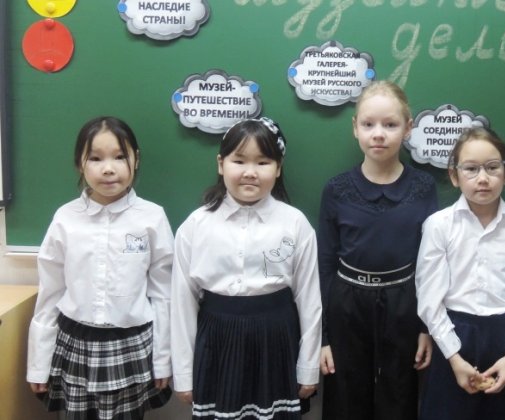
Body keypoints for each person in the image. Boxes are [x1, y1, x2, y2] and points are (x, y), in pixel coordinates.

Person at [171, 117, 321, 419]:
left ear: (278, 168)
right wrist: (184, 374)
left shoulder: (295, 224)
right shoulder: (196, 226)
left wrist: (308, 367)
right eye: (239, 161)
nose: (250, 172)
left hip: (276, 340)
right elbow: (181, 304)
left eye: (263, 162)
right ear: (221, 164)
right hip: (216, 340)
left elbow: (309, 301)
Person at [27, 116, 173, 419]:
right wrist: (38, 364)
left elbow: (164, 294)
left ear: (136, 159)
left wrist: (163, 359)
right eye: (95, 158)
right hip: (75, 343)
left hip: (132, 344)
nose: (108, 168)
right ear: (79, 164)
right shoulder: (66, 218)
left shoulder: (152, 217)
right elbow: (50, 292)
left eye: (120, 156)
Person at [318, 80, 438, 420]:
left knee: (399, 396)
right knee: (346, 400)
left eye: (390, 124)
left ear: (408, 128)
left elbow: (431, 263)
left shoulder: (424, 187)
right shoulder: (336, 189)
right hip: (347, 306)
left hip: (404, 305)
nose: (378, 134)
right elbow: (325, 264)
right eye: (368, 124)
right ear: (355, 128)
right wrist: (324, 338)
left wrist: (426, 328)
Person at [415, 127, 505, 420]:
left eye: (492, 167)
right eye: (471, 169)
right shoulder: (439, 225)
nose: (483, 178)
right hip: (452, 337)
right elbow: (429, 300)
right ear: (454, 176)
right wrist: (454, 358)